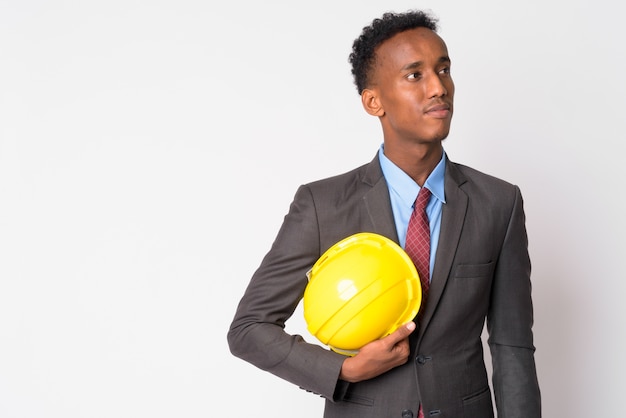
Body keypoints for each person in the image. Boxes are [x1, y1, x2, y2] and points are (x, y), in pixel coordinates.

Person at [227, 9, 541, 418]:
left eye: (443, 69)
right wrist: (345, 369)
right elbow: (249, 328)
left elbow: (512, 344)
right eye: (415, 75)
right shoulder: (323, 204)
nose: (438, 88)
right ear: (374, 101)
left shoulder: (498, 202)